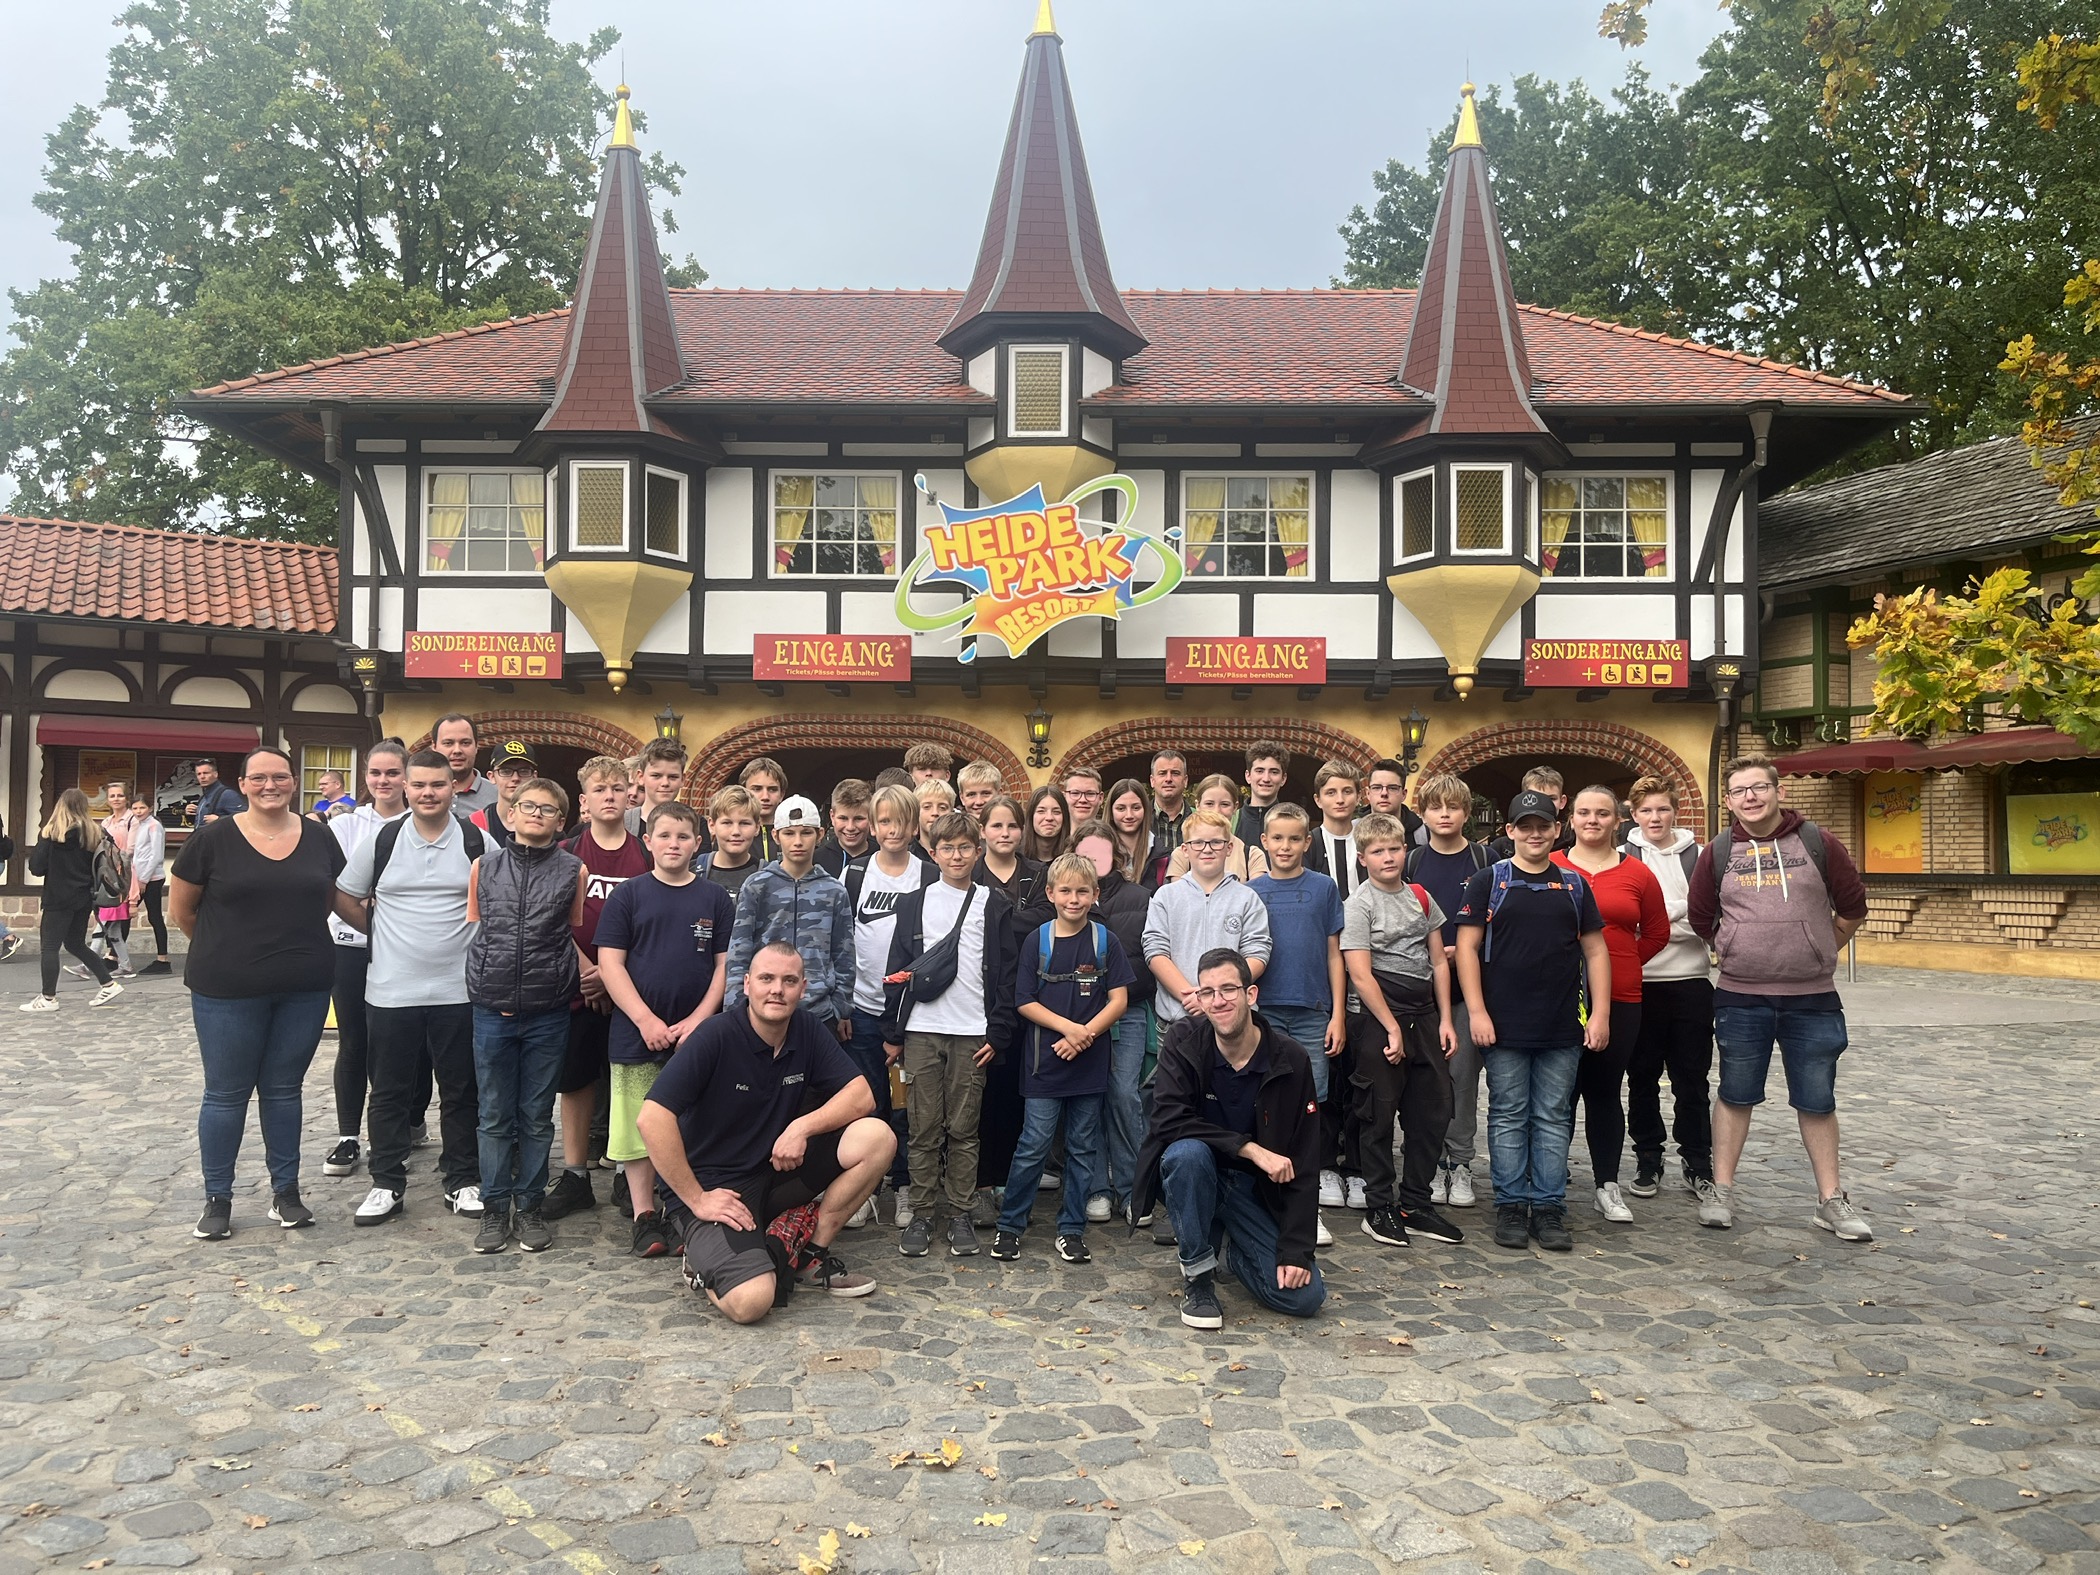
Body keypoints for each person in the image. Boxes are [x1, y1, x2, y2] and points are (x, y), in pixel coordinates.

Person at [638, 941, 892, 1322]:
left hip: (776, 1172)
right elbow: (652, 1118)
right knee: (753, 1302)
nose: (777, 989)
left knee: (877, 1137)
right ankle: (701, 1263)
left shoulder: (806, 1029)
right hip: (718, 1188)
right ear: (746, 984)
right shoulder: (715, 1036)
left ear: (803, 989)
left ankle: (809, 1255)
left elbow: (861, 1097)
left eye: (789, 981)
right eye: (767, 979)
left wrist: (801, 1127)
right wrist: (696, 1198)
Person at [1689, 754, 1872, 1240]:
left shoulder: (1817, 842)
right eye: (1739, 791)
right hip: (1741, 996)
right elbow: (1702, 914)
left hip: (1812, 998)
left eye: (1759, 788)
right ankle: (1721, 1191)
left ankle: (1831, 1200)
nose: (1750, 797)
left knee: (1817, 1099)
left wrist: (1819, 947)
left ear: (1778, 791)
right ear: (1728, 801)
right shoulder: (1720, 851)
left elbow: (1853, 906)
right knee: (1735, 1093)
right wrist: (1734, 947)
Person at [168, 748, 343, 1239]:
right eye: (260, 778)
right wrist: (226, 950)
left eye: (281, 777)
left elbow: (329, 897)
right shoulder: (212, 838)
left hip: (305, 986)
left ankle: (286, 1193)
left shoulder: (319, 837)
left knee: (284, 1091)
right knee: (225, 1094)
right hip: (227, 988)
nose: (271, 785)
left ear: (294, 782)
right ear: (242, 784)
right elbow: (183, 910)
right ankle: (217, 1198)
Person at [1131, 949, 1325, 1329]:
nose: (1218, 1001)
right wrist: (1249, 1149)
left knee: (1305, 1298)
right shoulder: (1184, 1041)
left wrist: (1296, 1250)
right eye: (1208, 992)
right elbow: (1167, 1120)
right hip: (1196, 1174)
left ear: (1251, 995)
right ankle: (1199, 1278)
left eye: (1228, 990)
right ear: (1199, 1000)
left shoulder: (1291, 1059)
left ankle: (1236, 1253)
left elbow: (1305, 1157)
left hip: (1254, 1193)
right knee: (1186, 1154)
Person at [1453, 790, 1610, 1253]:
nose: (1535, 833)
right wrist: (1477, 1011)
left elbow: (1595, 949)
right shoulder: (1489, 880)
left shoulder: (1576, 886)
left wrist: (1599, 1013)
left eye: (1543, 825)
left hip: (1562, 1022)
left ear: (1557, 829)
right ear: (1511, 831)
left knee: (1553, 1116)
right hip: (1502, 1023)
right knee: (1507, 1114)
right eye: (1525, 826)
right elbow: (1465, 948)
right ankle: (1510, 1205)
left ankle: (1548, 1206)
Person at [334, 750, 483, 1226]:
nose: (427, 793)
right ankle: (386, 1182)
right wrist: (377, 927)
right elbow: (343, 893)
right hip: (391, 990)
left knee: (462, 1091)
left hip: (459, 992)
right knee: (390, 1092)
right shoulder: (384, 840)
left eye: (437, 785)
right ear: (406, 788)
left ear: (452, 787)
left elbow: (497, 895)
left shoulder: (477, 841)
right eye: (418, 785)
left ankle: (462, 1179)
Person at [596, 801, 735, 1257]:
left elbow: (724, 965)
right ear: (648, 842)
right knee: (639, 1125)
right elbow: (610, 964)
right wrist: (645, 1019)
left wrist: (700, 1020)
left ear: (698, 844)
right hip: (637, 1033)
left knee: (691, 1122)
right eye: (664, 836)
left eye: (683, 837)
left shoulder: (713, 898)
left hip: (697, 1036)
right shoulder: (629, 896)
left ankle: (682, 1207)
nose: (673, 844)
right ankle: (644, 1215)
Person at [882, 811, 1017, 1258]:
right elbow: (897, 970)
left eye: (964, 847)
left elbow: (1006, 974)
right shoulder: (914, 902)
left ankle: (959, 1211)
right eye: (947, 848)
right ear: (932, 852)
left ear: (978, 851)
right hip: (922, 1029)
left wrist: (997, 1032)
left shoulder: (993, 902)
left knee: (964, 1128)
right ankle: (922, 1213)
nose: (956, 856)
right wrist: (893, 1031)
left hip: (971, 1032)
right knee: (922, 1128)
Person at [464, 775, 587, 1254]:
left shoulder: (572, 870)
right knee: (494, 1114)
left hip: (548, 1009)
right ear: (509, 814)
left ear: (561, 821)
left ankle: (530, 1204)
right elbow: (478, 927)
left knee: (536, 1115)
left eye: (548, 808)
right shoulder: (484, 867)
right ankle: (495, 1209)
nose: (536, 813)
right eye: (527, 805)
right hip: (492, 1006)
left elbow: (570, 931)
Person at [992, 851, 1133, 1264]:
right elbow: (1024, 1002)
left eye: (1082, 891)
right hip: (1044, 1064)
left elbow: (1119, 999)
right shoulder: (1039, 939)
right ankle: (1010, 1226)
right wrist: (1068, 1029)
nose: (1074, 898)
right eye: (1065, 890)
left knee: (1082, 1146)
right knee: (1033, 1144)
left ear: (1095, 894)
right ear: (1050, 893)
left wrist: (1084, 1034)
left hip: (1089, 1064)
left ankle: (1072, 1228)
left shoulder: (1105, 941)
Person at [1339, 810, 1464, 1249]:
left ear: (1405, 851)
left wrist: (1446, 1018)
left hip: (1425, 1014)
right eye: (1378, 851)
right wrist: (1391, 1028)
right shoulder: (1358, 906)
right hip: (1378, 1017)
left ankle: (1415, 1203)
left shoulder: (1422, 898)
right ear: (1362, 858)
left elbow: (1439, 962)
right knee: (1377, 1112)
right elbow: (1360, 974)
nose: (1388, 857)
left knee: (1431, 1110)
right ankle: (1379, 1206)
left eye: (1394, 848)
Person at [1554, 785, 1668, 1224]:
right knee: (1558, 1094)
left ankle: (1607, 1184)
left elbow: (1656, 931)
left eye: (1602, 813)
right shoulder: (1553, 866)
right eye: (1584, 813)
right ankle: (1550, 1177)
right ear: (1572, 819)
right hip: (1560, 999)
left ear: (1618, 820)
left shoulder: (1637, 874)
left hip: (1621, 997)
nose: (1592, 821)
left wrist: (1621, 964)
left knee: (1604, 1091)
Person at [543, 757, 651, 1220]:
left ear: (632, 796)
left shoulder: (645, 854)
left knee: (633, 1082)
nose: (610, 795)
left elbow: (653, 921)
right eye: (600, 789)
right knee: (577, 1080)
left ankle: (633, 1173)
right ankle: (575, 1176)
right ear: (583, 801)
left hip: (632, 989)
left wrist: (614, 977)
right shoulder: (567, 852)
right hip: (579, 985)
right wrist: (590, 971)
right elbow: (554, 921)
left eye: (618, 788)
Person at [1620, 775, 1719, 1213]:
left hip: (1691, 981)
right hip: (1641, 981)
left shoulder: (1699, 856)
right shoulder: (1625, 856)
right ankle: (1648, 1158)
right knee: (1641, 1079)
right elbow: (1628, 923)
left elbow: (1708, 913)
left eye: (1662, 809)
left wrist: (1661, 916)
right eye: (1646, 811)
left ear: (1675, 810)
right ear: (1634, 814)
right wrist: (1670, 921)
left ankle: (1698, 1162)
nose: (1654, 817)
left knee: (1692, 1080)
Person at [1248, 802, 1344, 1245]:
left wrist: (1338, 1013)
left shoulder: (1324, 888)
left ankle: (1308, 1195)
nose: (1285, 846)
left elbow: (1333, 954)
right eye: (1277, 838)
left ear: (1308, 842)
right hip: (1263, 1010)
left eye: (1294, 838)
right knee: (1264, 1098)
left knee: (1311, 1100)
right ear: (1264, 842)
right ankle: (1264, 1190)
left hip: (1311, 1010)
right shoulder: (1250, 890)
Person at [841, 784, 935, 1227]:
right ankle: (864, 1186)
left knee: (906, 1106)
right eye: (883, 821)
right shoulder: (855, 875)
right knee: (866, 1103)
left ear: (915, 826)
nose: (891, 830)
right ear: (873, 826)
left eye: (900, 821)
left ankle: (904, 1187)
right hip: (863, 1007)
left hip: (913, 1013)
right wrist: (844, 1002)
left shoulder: (930, 876)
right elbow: (842, 943)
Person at [1404, 773, 1492, 1209]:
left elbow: (1500, 919)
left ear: (1466, 813)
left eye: (1453, 807)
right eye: (1435, 807)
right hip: (1419, 986)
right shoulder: (1413, 860)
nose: (1444, 814)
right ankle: (1430, 1160)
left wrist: (1467, 949)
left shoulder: (1483, 860)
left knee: (1460, 1078)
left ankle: (1460, 1163)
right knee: (1425, 1078)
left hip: (1466, 987)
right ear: (1422, 813)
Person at [323, 742, 409, 1179]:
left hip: (407, 949)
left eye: (393, 773)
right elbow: (339, 889)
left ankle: (398, 1133)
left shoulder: (423, 823)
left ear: (406, 776)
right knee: (354, 1040)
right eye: (376, 773)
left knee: (399, 1044)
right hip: (351, 943)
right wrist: (368, 919)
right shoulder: (345, 827)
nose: (384, 781)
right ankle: (348, 1134)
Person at [1072, 819, 1153, 1226]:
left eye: (1101, 852)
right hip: (1080, 1016)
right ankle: (1096, 1189)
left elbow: (1149, 954)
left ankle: (1132, 1188)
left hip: (1130, 1012)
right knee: (1090, 1097)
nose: (1094, 860)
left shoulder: (1141, 897)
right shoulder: (1070, 898)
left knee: (1124, 1095)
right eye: (1085, 853)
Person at [972, 793, 1049, 1206]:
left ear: (1022, 831)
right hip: (978, 995)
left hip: (1031, 994)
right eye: (996, 826)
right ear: (982, 830)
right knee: (982, 1092)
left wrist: (994, 917)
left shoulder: (1037, 875)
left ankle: (1010, 1178)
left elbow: (1042, 919)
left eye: (1012, 826)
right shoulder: (972, 871)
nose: (1005, 833)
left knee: (1017, 1092)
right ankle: (981, 1181)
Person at [726, 795, 856, 1033]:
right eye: (789, 833)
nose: (798, 841)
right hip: (762, 1010)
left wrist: (840, 1008)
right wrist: (735, 1008)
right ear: (776, 836)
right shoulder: (757, 885)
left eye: (806, 833)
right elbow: (740, 949)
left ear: (819, 834)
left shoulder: (834, 890)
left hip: (819, 1014)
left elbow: (844, 953)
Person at [1144, 808, 1272, 1035]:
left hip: (1233, 1021)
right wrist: (1194, 996)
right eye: (1198, 843)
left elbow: (1257, 953)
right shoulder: (1166, 896)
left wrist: (1217, 995)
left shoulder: (1247, 898)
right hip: (1178, 1020)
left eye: (1216, 843)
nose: (1207, 849)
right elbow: (1155, 951)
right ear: (1184, 850)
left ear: (1229, 847)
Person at [23, 790, 122, 1012]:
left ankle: (48, 998)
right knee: (75, 943)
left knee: (49, 947)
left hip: (58, 898)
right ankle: (108, 983)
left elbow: (36, 868)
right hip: (84, 897)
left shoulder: (53, 834)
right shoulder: (93, 833)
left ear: (61, 806)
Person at [1165, 775, 1270, 883]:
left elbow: (1255, 895)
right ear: (1198, 806)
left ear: (1235, 807)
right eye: (1209, 804)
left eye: (1224, 804)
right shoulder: (1181, 855)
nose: (1216, 811)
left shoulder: (1252, 856)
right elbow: (1179, 897)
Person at [89, 785, 136, 978]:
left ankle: (89, 962)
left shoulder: (132, 820)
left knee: (102, 924)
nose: (116, 799)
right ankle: (125, 965)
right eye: (112, 796)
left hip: (122, 877)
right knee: (113, 929)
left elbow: (131, 851)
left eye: (120, 795)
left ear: (127, 798)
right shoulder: (106, 821)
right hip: (106, 877)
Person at [1302, 760, 1366, 901]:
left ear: (1358, 797)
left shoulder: (1369, 841)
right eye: (1331, 793)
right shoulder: (1309, 845)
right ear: (1318, 800)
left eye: (1347, 791)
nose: (1340, 800)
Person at [126, 793, 172, 975]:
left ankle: (163, 960)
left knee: (154, 917)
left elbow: (156, 855)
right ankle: (114, 956)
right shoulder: (140, 825)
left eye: (142, 808)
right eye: (135, 808)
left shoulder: (154, 826)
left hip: (151, 879)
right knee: (123, 915)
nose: (138, 811)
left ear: (150, 808)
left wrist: (143, 880)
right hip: (138, 877)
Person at [1487, 767, 1575, 858]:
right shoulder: (1502, 848)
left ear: (1562, 801)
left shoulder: (1574, 840)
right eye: (1536, 798)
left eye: (1551, 799)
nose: (1544, 804)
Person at [698, 785, 764, 902]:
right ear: (712, 825)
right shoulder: (692, 872)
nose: (736, 832)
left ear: (757, 827)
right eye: (727, 823)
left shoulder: (767, 877)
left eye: (744, 823)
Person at [472, 739, 541, 849]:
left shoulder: (544, 823)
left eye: (523, 771)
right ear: (492, 777)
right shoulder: (475, 825)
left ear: (534, 776)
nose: (515, 778)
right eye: (505, 771)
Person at [430, 713, 497, 816]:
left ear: (476, 747)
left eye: (465, 743)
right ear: (434, 747)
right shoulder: (420, 793)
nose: (457, 750)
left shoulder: (498, 796)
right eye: (448, 743)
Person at [1144, 750, 1191, 886]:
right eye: (1162, 773)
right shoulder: (1139, 820)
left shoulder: (1198, 821)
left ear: (1185, 781)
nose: (1168, 779)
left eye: (1175, 773)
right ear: (1152, 781)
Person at [816, 778, 874, 877]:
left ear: (871, 817)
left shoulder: (883, 857)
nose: (850, 827)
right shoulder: (816, 862)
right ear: (832, 817)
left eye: (858, 819)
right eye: (843, 818)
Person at [1235, 742, 1288, 848]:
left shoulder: (1291, 823)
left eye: (1274, 772)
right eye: (1259, 771)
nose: (1266, 779)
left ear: (1283, 778)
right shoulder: (1232, 822)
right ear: (1248, 776)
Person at [1364, 759, 1427, 845]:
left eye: (1392, 788)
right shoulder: (1353, 832)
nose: (1384, 793)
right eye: (1377, 787)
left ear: (1403, 794)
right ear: (1368, 793)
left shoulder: (1422, 834)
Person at [1104, 778, 1153, 888]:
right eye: (1121, 809)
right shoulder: (1097, 853)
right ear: (1111, 812)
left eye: (1136, 808)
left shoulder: (1159, 855)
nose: (1129, 815)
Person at [739, 757, 788, 862]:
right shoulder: (735, 835)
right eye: (757, 789)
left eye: (772, 789)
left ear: (781, 794)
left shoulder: (791, 834)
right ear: (744, 791)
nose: (765, 796)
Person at [1022, 784, 1073, 863]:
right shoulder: (1016, 857)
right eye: (1041, 811)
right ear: (1031, 816)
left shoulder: (1075, 858)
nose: (1049, 818)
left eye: (1056, 812)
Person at [912, 779, 956, 861]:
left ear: (952, 813)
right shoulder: (907, 856)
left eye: (942, 808)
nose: (935, 813)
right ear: (916, 812)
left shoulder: (960, 855)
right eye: (927, 807)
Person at [193, 758, 246, 825]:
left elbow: (243, 819)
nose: (202, 777)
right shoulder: (203, 797)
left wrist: (219, 819)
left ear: (215, 774)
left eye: (206, 773)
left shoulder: (227, 794)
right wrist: (191, 814)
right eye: (199, 774)